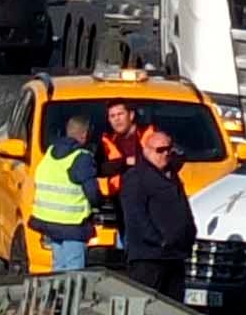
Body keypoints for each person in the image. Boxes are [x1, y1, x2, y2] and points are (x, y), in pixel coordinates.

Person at [113, 122, 194, 300]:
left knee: (174, 309)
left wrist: (189, 234)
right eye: (160, 150)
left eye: (168, 150)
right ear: (147, 150)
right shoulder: (136, 177)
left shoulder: (171, 175)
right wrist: (159, 240)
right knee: (144, 309)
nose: (165, 154)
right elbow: (135, 215)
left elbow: (183, 207)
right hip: (149, 257)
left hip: (175, 255)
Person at [29, 109, 100, 276]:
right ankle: (70, 300)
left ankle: (55, 300)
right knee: (74, 272)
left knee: (58, 269)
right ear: (84, 135)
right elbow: (93, 193)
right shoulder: (81, 157)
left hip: (48, 222)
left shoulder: (50, 152)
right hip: (72, 225)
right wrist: (98, 203)